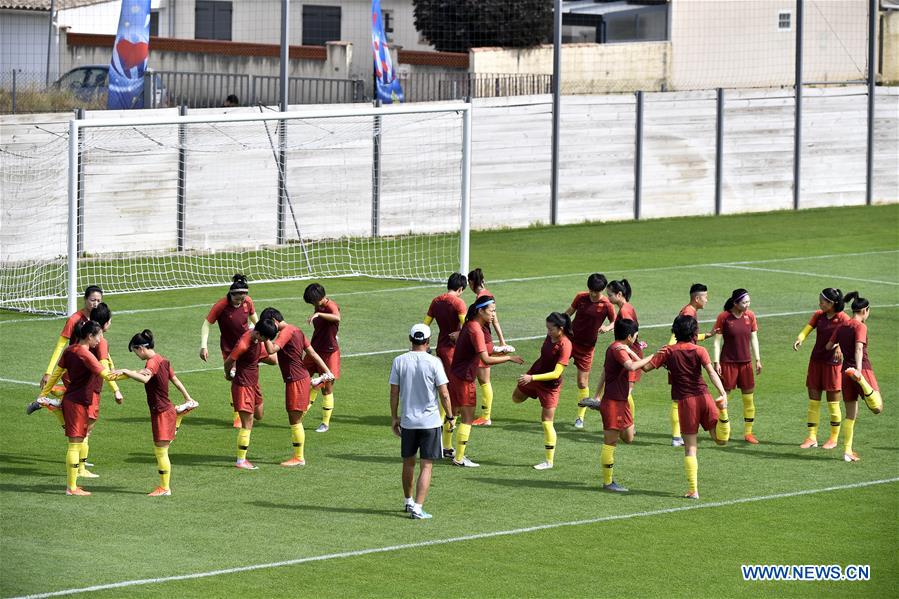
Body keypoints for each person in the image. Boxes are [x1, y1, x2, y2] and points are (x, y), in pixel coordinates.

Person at [28, 303, 124, 477]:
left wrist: (43, 392)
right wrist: (124, 380)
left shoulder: (77, 344)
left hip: (78, 385)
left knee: (79, 429)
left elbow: (60, 369)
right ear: (105, 323)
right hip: (91, 389)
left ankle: (56, 402)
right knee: (85, 430)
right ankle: (80, 469)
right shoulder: (100, 342)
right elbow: (106, 369)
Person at [643, 315, 730, 499]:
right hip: (705, 397)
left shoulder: (668, 351)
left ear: (675, 331)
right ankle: (723, 411)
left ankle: (693, 490)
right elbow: (711, 372)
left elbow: (645, 368)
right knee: (720, 439)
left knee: (690, 448)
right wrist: (722, 392)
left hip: (686, 402)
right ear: (694, 332)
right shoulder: (699, 350)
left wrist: (648, 353)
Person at [115, 330, 198, 496]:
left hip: (161, 411)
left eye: (135, 351)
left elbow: (145, 378)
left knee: (161, 451)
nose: (137, 355)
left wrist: (125, 370)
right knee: (163, 446)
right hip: (165, 409)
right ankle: (179, 414)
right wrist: (188, 397)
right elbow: (174, 380)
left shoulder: (152, 362)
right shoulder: (163, 360)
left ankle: (165, 488)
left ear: (141, 348)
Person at [578, 318, 655, 492]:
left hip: (622, 401)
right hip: (613, 402)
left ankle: (601, 407)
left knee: (629, 438)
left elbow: (642, 366)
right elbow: (632, 366)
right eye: (635, 335)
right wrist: (651, 356)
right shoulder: (617, 350)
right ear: (629, 336)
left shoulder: (621, 347)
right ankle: (607, 482)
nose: (636, 338)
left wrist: (636, 352)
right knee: (610, 441)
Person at [448, 295, 523, 467]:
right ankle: (459, 458)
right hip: (464, 380)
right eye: (491, 311)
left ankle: (446, 448)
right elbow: (486, 360)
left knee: (453, 414)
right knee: (466, 419)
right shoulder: (475, 329)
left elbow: (485, 353)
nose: (494, 315)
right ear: (480, 311)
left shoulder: (472, 326)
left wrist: (500, 352)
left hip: (457, 376)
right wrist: (509, 358)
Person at [389, 324, 453, 519]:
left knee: (408, 463)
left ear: (410, 339)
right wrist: (450, 417)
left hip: (408, 422)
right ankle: (418, 506)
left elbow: (394, 392)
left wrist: (394, 417)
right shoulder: (434, 362)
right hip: (430, 423)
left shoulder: (399, 361)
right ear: (427, 341)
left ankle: (408, 501)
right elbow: (444, 393)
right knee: (427, 465)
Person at [256, 308, 333, 466]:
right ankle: (316, 383)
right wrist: (327, 371)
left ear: (274, 321)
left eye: (269, 324)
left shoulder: (285, 333)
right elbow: (312, 353)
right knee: (296, 417)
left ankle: (299, 458)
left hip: (295, 380)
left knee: (295, 420)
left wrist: (263, 336)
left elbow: (271, 350)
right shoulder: (297, 330)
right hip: (302, 377)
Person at [33, 285, 105, 428]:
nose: (96, 304)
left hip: (90, 371)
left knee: (79, 424)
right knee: (81, 425)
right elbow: (60, 345)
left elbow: (102, 348)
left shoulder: (99, 319)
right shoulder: (74, 319)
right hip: (74, 370)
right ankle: (53, 402)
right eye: (92, 300)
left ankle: (54, 404)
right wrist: (49, 371)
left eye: (99, 301)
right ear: (84, 299)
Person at [825, 292, 883, 462]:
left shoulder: (842, 326)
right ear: (865, 310)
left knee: (850, 415)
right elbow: (859, 348)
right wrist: (858, 371)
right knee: (877, 408)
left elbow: (829, 346)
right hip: (861, 370)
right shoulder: (861, 326)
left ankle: (847, 452)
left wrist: (838, 346)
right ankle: (864, 384)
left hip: (844, 372)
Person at [512, 312, 573, 470]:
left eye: (551, 329)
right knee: (516, 398)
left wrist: (532, 379)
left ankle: (549, 461)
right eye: (547, 328)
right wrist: (531, 377)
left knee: (547, 421)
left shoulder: (565, 345)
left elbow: (556, 373)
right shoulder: (550, 336)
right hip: (534, 375)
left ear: (561, 329)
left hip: (549, 386)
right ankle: (533, 395)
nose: (548, 332)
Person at [793, 288, 849, 450]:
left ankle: (833, 438)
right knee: (813, 401)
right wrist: (800, 338)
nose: (820, 303)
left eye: (823, 301)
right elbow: (807, 329)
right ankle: (811, 437)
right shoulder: (819, 315)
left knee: (833, 403)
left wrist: (840, 346)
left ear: (832, 304)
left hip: (833, 364)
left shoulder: (843, 318)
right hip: (816, 361)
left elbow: (851, 335)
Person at [200, 274, 258, 427]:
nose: (241, 300)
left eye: (244, 297)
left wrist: (263, 333)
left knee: (248, 374)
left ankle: (255, 402)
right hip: (229, 348)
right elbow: (206, 324)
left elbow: (255, 320)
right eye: (238, 298)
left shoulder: (248, 302)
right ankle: (238, 414)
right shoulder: (221, 305)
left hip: (247, 345)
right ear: (231, 294)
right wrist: (204, 345)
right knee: (234, 378)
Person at [665, 283, 716, 447]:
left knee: (680, 398)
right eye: (705, 297)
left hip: (681, 356)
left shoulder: (691, 311)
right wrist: (669, 356)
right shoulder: (688, 313)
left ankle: (677, 436)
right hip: (681, 359)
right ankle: (676, 436)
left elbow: (690, 337)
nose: (707, 300)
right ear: (697, 298)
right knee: (678, 399)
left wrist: (707, 335)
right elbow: (675, 338)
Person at [564, 273, 616, 430]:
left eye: (597, 291)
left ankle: (580, 417)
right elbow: (568, 313)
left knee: (582, 382)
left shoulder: (607, 304)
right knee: (553, 368)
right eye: (591, 290)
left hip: (587, 348)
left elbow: (615, 321)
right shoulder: (580, 297)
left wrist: (607, 327)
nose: (593, 294)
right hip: (570, 341)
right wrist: (559, 326)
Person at [424, 272, 468, 457]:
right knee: (452, 395)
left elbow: (425, 325)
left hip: (440, 348)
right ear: (460, 289)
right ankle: (445, 445)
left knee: (443, 389)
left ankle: (444, 444)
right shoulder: (458, 303)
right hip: (453, 352)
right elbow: (467, 328)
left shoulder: (436, 301)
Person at [223, 326, 277, 469]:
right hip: (243, 386)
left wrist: (258, 358)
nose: (265, 342)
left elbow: (274, 360)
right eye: (264, 339)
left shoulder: (258, 338)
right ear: (258, 333)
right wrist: (228, 375)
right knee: (248, 423)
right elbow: (228, 361)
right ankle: (241, 461)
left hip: (254, 384)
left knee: (259, 415)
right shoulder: (243, 344)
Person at [713, 288, 762, 444]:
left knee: (748, 398)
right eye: (744, 302)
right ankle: (722, 431)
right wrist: (716, 362)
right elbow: (716, 342)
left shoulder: (750, 316)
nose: (747, 305)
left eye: (748, 302)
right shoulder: (724, 317)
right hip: (728, 363)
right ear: (735, 303)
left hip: (746, 363)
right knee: (724, 397)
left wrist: (758, 359)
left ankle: (748, 433)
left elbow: (754, 338)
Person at [468, 268, 513, 426]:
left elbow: (493, 320)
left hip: (483, 340)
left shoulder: (482, 298)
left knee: (484, 380)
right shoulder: (487, 295)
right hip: (486, 340)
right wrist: (502, 341)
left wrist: (501, 342)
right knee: (482, 379)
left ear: (471, 283)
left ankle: (486, 416)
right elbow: (496, 321)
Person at [303, 283, 341, 433]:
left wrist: (319, 315)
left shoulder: (331, 305)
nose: (313, 305)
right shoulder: (318, 306)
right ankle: (303, 410)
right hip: (314, 350)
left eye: (313, 301)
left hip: (329, 352)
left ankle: (325, 423)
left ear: (319, 297)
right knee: (302, 377)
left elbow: (337, 317)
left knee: (327, 388)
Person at [607, 279, 645, 423]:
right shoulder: (625, 307)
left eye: (610, 295)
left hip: (629, 352)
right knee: (623, 390)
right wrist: (608, 327)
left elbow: (630, 330)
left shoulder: (625, 310)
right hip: (626, 350)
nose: (608, 298)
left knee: (626, 392)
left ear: (619, 294)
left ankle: (629, 424)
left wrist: (629, 347)